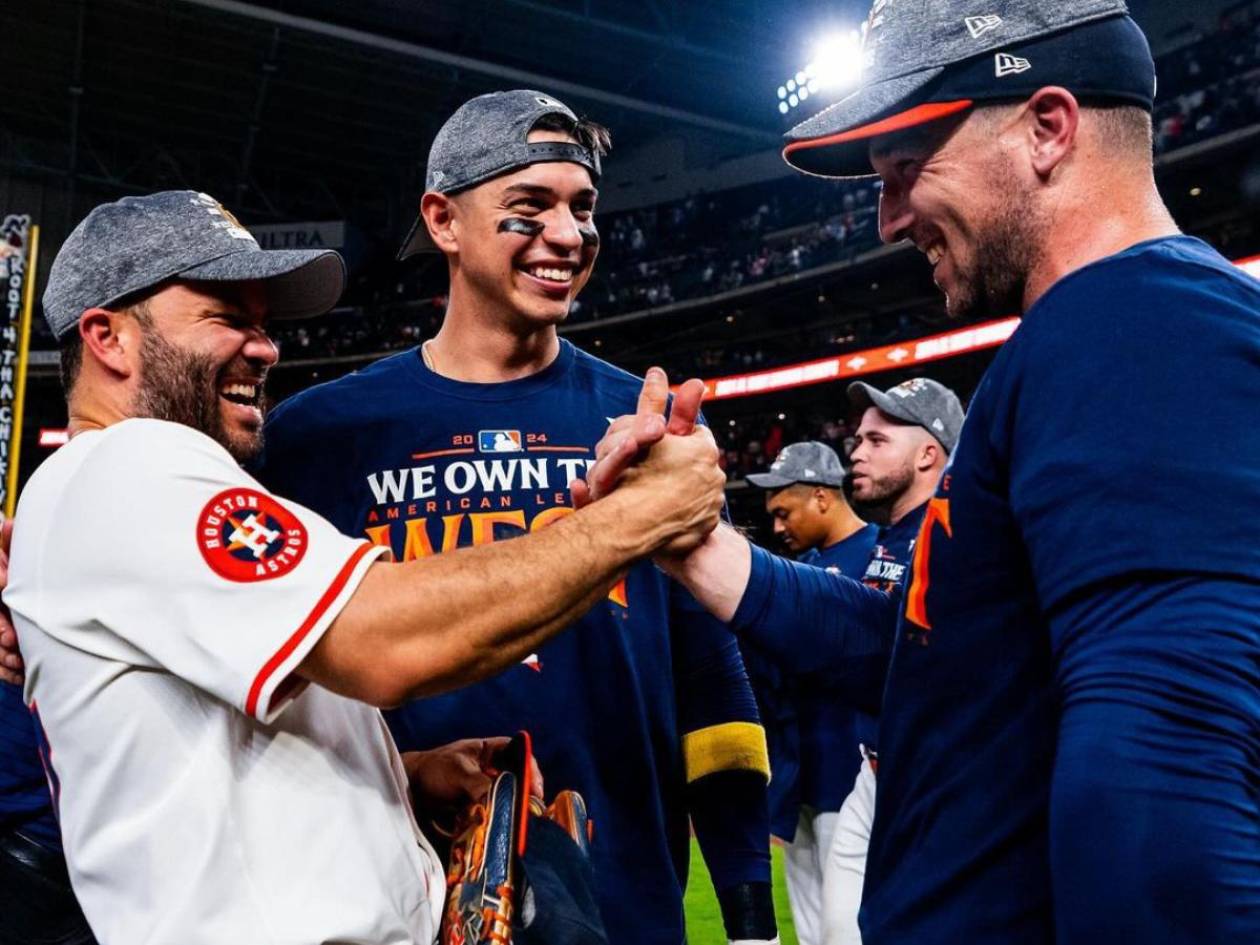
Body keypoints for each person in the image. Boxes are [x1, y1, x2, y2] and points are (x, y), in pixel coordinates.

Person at [591, 4, 1260, 944]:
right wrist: (698, 544)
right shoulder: (1106, 330)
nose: (887, 215)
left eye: (908, 167)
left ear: (1047, 127)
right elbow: (926, 649)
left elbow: (1169, 769)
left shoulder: (1137, 323)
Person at [3, 190, 725, 945]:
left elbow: (205, 769)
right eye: (226, 316)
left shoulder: (120, 493)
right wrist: (638, 516)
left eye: (263, 323)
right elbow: (382, 641)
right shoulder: (131, 463)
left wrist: (402, 776)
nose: (264, 347)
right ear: (107, 337)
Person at [253, 91, 779, 945]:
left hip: (626, 908)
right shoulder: (318, 438)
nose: (569, 236)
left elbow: (713, 684)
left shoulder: (647, 424)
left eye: (583, 207)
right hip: (392, 903)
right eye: (528, 207)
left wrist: (751, 916)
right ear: (444, 220)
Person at [743, 441, 876, 945]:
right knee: (814, 932)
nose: (778, 527)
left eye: (784, 512)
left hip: (854, 779)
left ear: (822, 497)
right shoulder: (798, 573)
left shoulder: (880, 555)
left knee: (850, 930)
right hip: (801, 783)